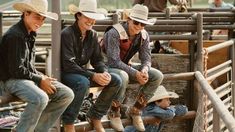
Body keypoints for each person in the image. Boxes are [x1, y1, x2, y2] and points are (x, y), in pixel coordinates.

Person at [0, 0, 74, 131]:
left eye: (43, 19)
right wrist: (39, 79)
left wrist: (42, 77)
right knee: (40, 98)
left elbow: (28, 66)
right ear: (26, 14)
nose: (40, 22)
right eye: (37, 17)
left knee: (66, 94)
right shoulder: (15, 35)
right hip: (10, 80)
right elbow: (16, 70)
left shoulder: (30, 33)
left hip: (24, 78)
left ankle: (37, 129)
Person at [60, 0, 123, 131]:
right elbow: (68, 64)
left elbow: (98, 60)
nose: (91, 21)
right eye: (87, 17)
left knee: (115, 79)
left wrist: (104, 72)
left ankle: (95, 115)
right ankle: (69, 122)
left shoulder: (93, 34)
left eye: (93, 18)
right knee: (82, 83)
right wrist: (93, 75)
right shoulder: (66, 33)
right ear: (78, 15)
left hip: (81, 72)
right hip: (66, 72)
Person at [102, 4, 164, 131]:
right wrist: (135, 73)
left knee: (157, 76)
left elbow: (146, 58)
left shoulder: (144, 35)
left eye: (143, 24)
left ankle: (136, 110)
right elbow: (113, 61)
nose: (139, 27)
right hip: (105, 67)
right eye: (136, 22)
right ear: (128, 20)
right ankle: (114, 111)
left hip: (123, 66)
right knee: (123, 76)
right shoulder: (113, 32)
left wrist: (145, 70)